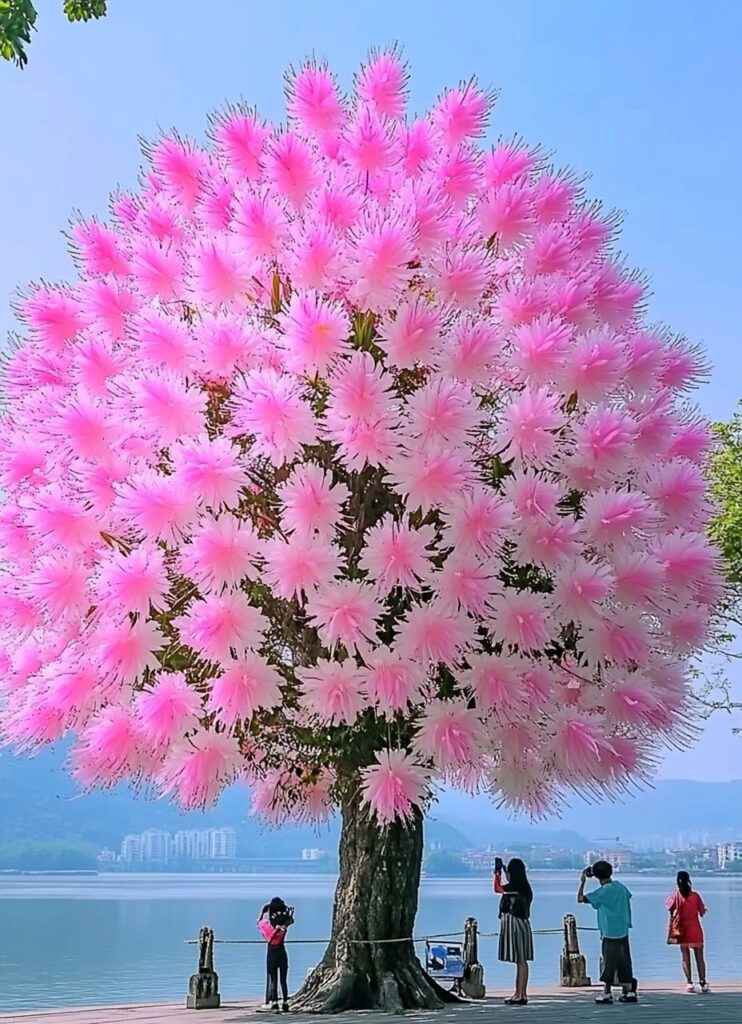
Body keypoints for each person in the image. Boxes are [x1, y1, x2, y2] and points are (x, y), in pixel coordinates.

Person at [578, 861, 638, 1005]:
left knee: (609, 962)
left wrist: (582, 882)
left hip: (610, 932)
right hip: (623, 930)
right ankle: (628, 990)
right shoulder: (620, 887)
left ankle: (607, 992)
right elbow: (627, 897)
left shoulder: (604, 891)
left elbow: (581, 899)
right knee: (624, 961)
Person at [494, 857, 534, 1005]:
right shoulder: (523, 886)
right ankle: (521, 993)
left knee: (520, 960)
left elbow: (498, 888)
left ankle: (520, 994)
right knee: (522, 961)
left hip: (515, 924)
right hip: (523, 924)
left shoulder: (515, 887)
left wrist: (497, 874)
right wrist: (504, 871)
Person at [667, 871, 709, 993]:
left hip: (682, 930)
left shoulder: (675, 895)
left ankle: (689, 983)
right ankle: (703, 982)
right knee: (700, 957)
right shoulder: (695, 896)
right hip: (695, 928)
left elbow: (669, 908)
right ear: (689, 880)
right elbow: (701, 912)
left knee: (685, 957)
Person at [257, 897, 292, 1012]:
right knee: (282, 978)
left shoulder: (265, 925)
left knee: (274, 978)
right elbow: (289, 921)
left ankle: (275, 1002)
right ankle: (285, 1002)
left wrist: (263, 913)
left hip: (272, 951)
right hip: (281, 950)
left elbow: (269, 938)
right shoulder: (283, 926)